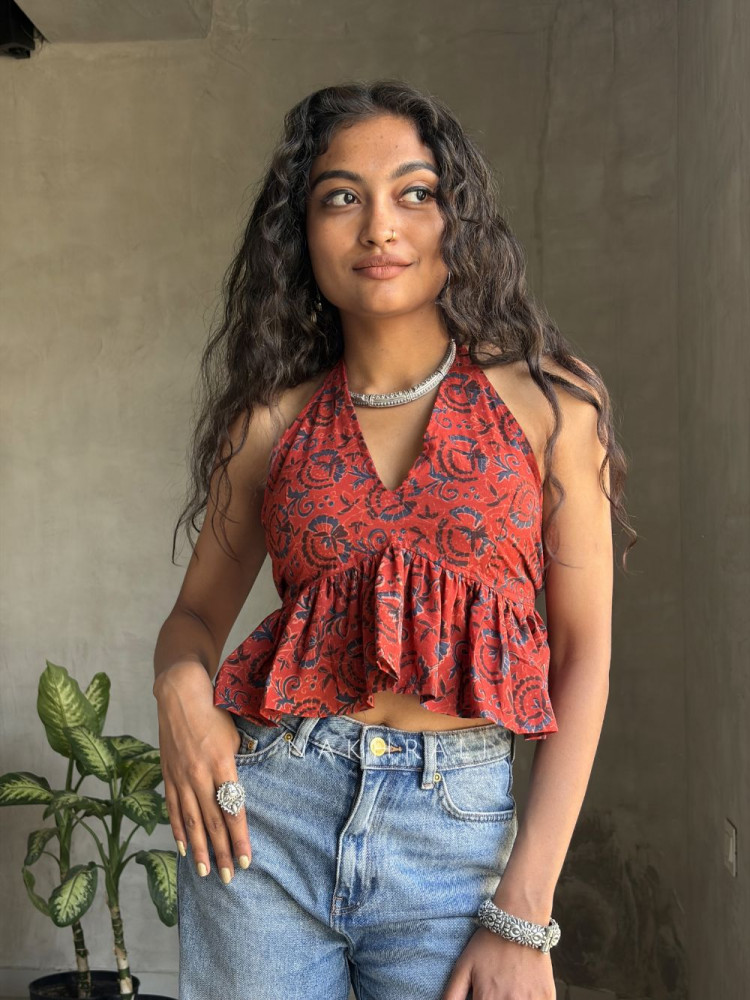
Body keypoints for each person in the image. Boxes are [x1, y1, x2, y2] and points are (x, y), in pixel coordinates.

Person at [153, 79, 635, 1000]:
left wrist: (523, 911)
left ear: (458, 220)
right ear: (301, 233)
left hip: (454, 836)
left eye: (415, 193)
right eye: (343, 197)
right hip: (267, 820)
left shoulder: (552, 407)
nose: (380, 226)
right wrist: (178, 683)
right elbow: (192, 621)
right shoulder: (268, 425)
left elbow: (585, 659)